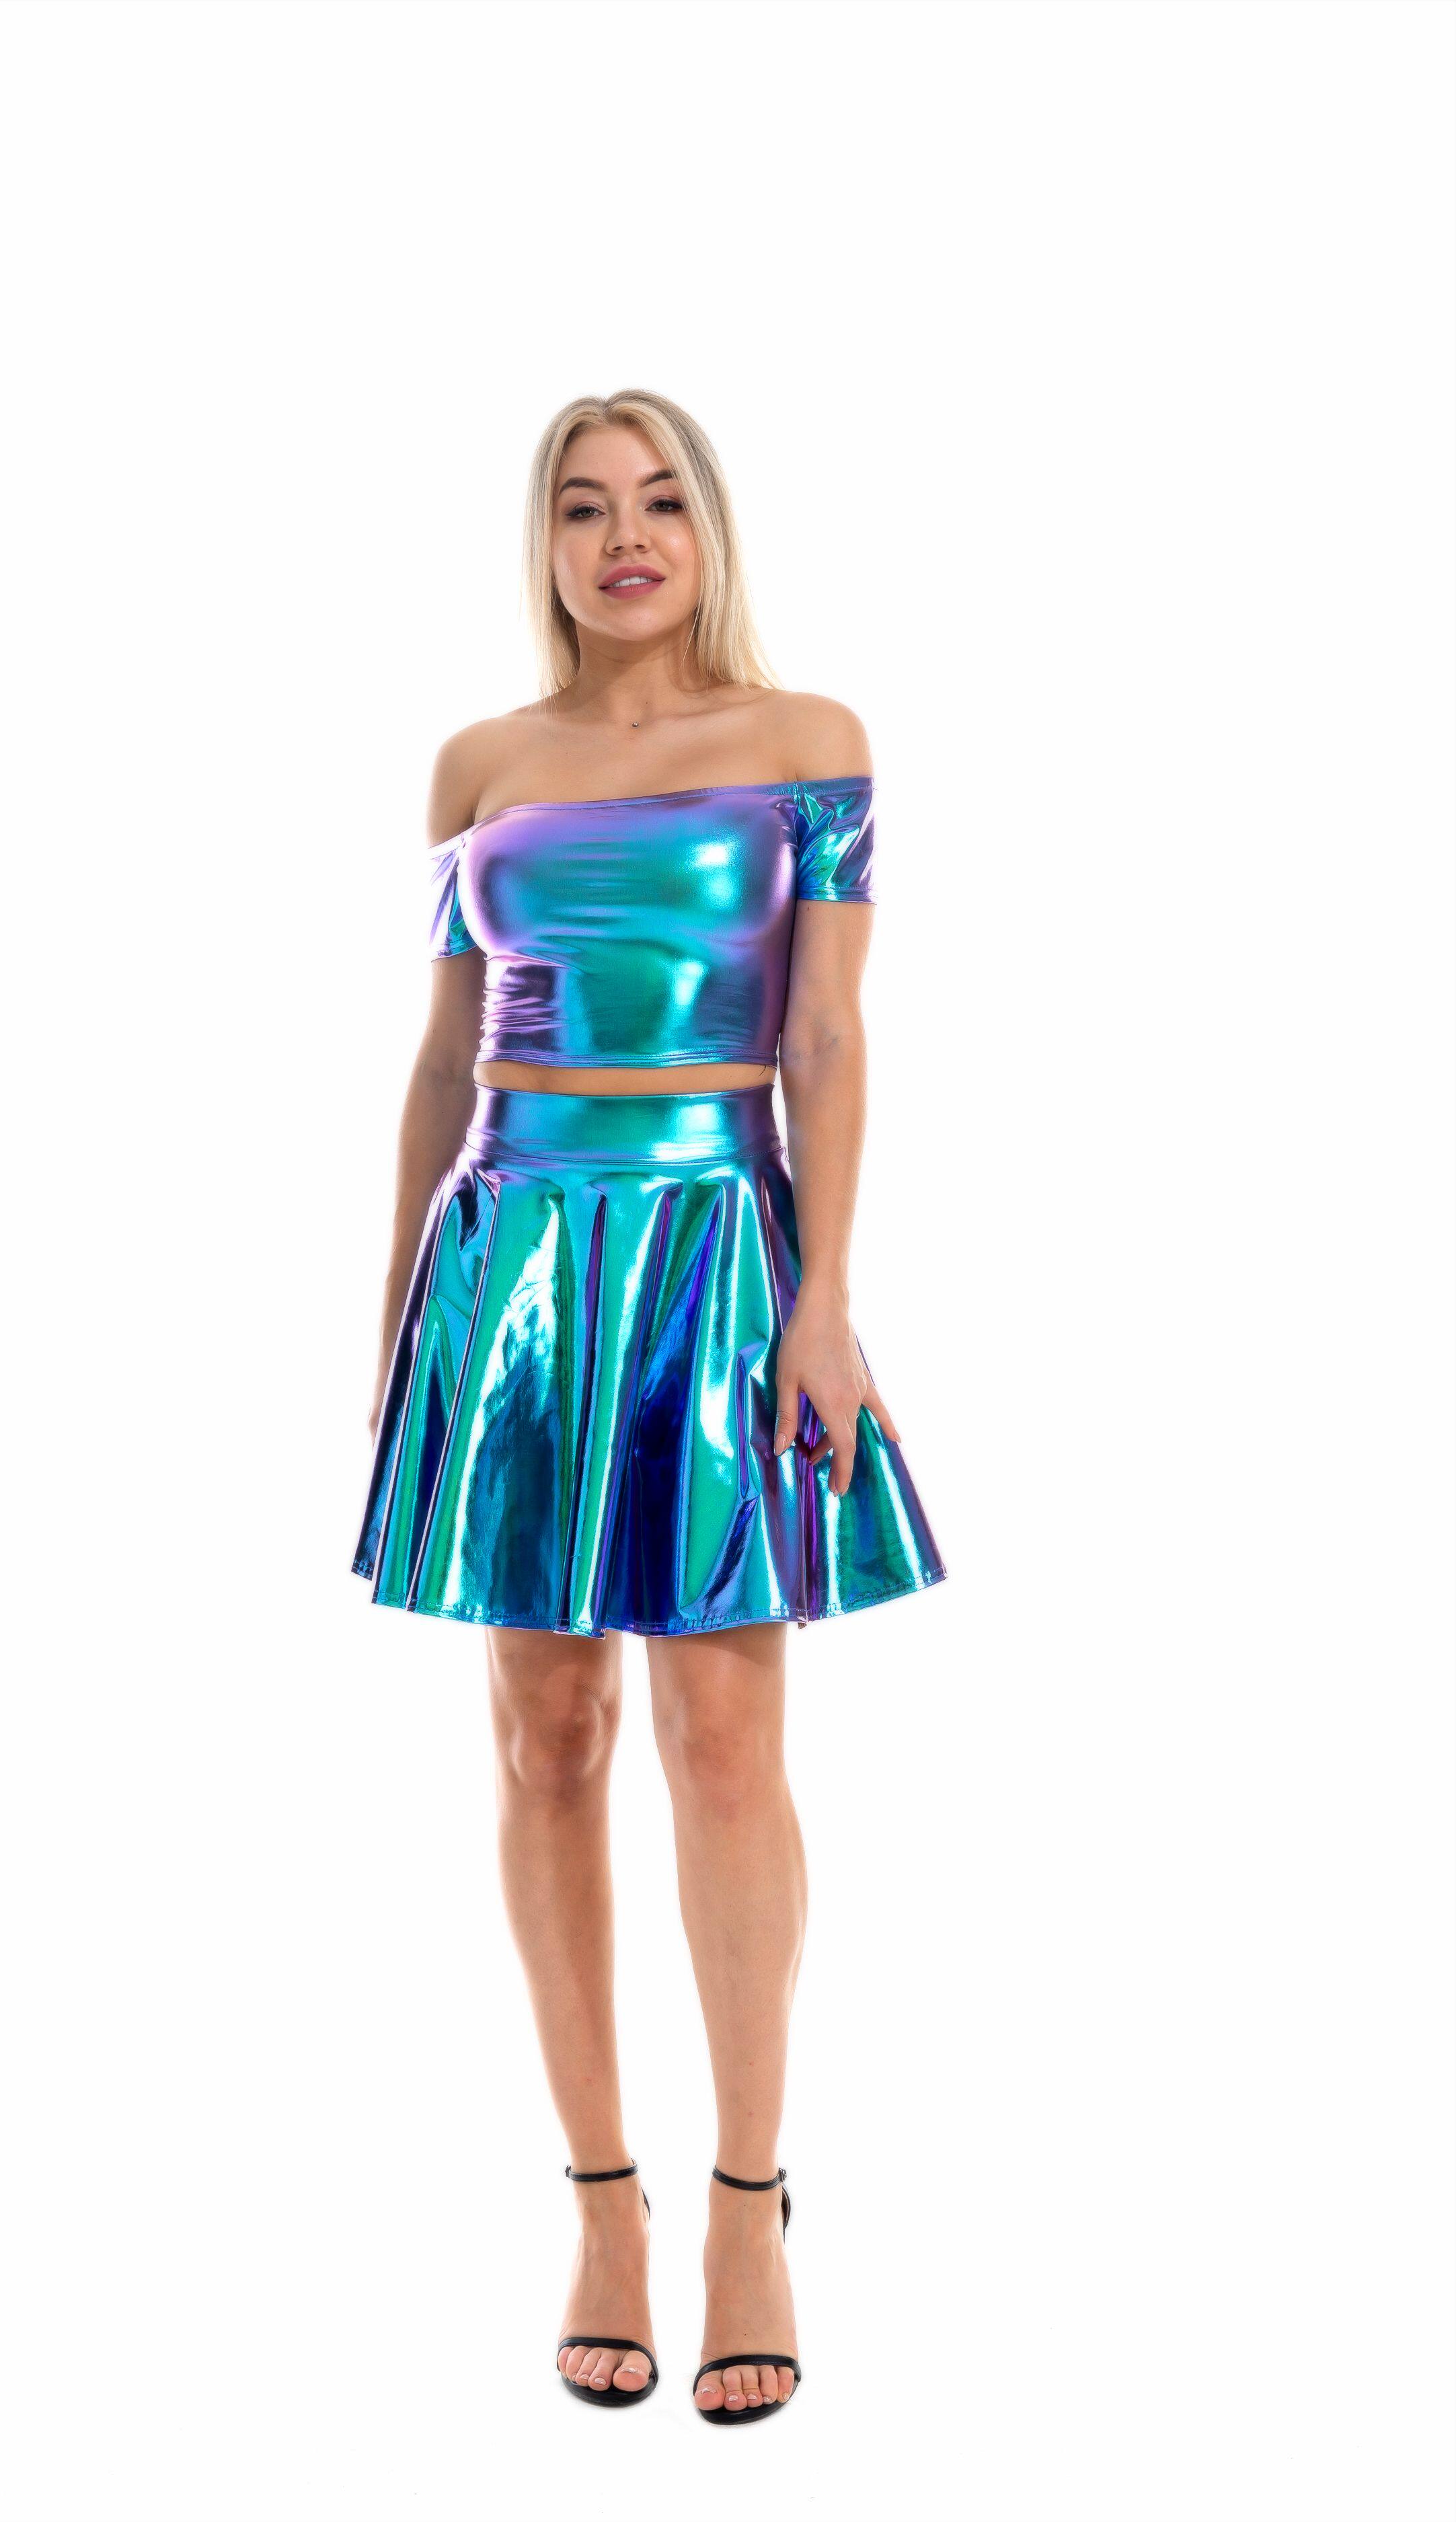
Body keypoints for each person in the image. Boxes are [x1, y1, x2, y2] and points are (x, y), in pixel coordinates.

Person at [351, 387, 947, 2424]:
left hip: (714, 1238)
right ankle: (600, 2202)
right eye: (586, 506)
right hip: (510, 1249)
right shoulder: (480, 765)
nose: (625, 537)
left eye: (661, 501)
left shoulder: (807, 741)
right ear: (544, 542)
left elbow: (831, 1035)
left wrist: (826, 1298)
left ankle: (747, 2204)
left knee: (722, 1730)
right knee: (545, 1734)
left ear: (708, 530)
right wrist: (397, 1319)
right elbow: (441, 1059)